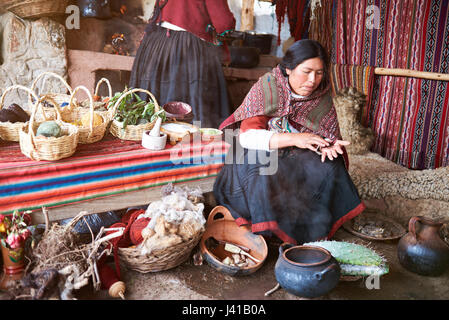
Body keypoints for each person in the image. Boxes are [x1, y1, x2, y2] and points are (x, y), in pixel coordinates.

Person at [213, 39, 366, 245]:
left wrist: (328, 144)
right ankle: (269, 230)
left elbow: (323, 132)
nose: (312, 80)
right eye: (306, 71)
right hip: (259, 152)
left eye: (319, 73)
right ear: (288, 69)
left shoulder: (321, 94)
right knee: (265, 168)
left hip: (297, 155)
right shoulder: (268, 88)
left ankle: (309, 229)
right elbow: (248, 137)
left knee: (330, 164)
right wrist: (296, 138)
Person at [129, 0, 236, 128]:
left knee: (152, 107)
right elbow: (224, 23)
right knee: (191, 114)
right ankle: (186, 140)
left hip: (157, 43)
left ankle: (152, 137)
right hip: (187, 46)